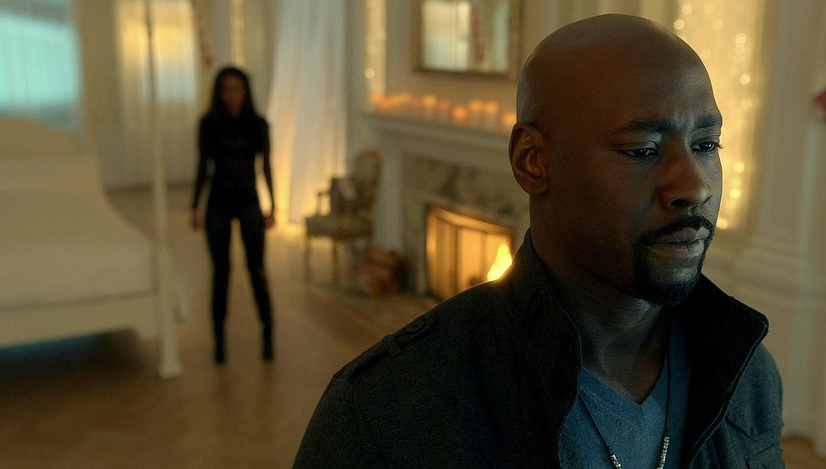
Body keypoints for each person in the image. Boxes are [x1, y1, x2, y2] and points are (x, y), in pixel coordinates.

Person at [293, 14, 784, 468]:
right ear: (532, 161)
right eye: (641, 150)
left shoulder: (746, 374)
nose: (695, 186)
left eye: (705, 145)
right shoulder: (389, 411)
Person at [191, 66, 276, 364]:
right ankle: (219, 340)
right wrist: (195, 205)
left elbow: (266, 165)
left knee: (257, 269)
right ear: (218, 92)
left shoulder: (259, 124)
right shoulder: (208, 124)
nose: (231, 94)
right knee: (221, 273)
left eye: (236, 88)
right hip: (218, 203)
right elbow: (203, 165)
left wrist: (273, 205)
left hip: (249, 202)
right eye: (225, 89)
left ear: (246, 91)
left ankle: (268, 332)